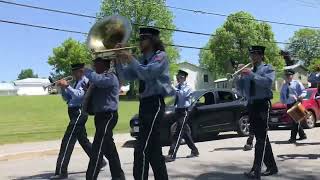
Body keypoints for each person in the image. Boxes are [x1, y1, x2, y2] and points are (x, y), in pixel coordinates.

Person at [115, 27, 173, 180]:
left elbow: (147, 73)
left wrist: (130, 59)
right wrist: (118, 60)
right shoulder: (140, 61)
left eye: (143, 39)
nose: (139, 42)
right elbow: (125, 77)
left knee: (141, 148)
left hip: (155, 104)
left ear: (152, 40)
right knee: (154, 151)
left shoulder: (161, 56)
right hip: (144, 105)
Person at [50, 63, 106, 180]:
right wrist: (63, 88)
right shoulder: (76, 82)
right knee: (83, 141)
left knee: (68, 140)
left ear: (81, 71)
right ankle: (99, 161)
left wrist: (67, 86)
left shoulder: (85, 81)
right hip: (73, 112)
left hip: (80, 111)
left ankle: (61, 171)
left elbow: (79, 95)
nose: (73, 74)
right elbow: (67, 98)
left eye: (75, 72)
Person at [237, 45, 278, 179]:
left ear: (260, 55)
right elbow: (241, 91)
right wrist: (239, 77)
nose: (252, 57)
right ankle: (272, 167)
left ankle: (256, 170)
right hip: (251, 106)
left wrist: (251, 74)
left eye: (254, 54)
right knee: (262, 137)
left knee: (260, 139)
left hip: (262, 105)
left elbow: (267, 83)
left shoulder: (268, 68)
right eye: (251, 55)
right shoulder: (248, 71)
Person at [84, 57, 125, 180]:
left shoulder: (110, 77)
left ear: (103, 65)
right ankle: (118, 177)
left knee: (98, 147)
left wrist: (86, 71)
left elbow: (100, 81)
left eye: (96, 64)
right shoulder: (97, 79)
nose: (94, 66)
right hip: (100, 116)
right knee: (109, 148)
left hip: (109, 116)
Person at [165, 70, 199, 162]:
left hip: (184, 111)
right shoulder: (177, 86)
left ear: (183, 77)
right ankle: (195, 150)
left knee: (178, 132)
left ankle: (172, 154)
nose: (177, 78)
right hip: (178, 110)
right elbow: (171, 93)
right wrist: (167, 85)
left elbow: (182, 95)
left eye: (179, 77)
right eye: (177, 77)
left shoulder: (189, 87)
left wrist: (173, 87)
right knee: (185, 133)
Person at [280, 69, 307, 143]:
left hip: (296, 103)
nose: (288, 77)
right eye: (287, 75)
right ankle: (302, 135)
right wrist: (282, 101)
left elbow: (304, 91)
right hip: (288, 104)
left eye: (289, 75)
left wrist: (300, 96)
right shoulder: (284, 85)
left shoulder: (297, 83)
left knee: (295, 121)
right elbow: (282, 95)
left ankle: (293, 138)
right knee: (295, 120)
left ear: (292, 76)